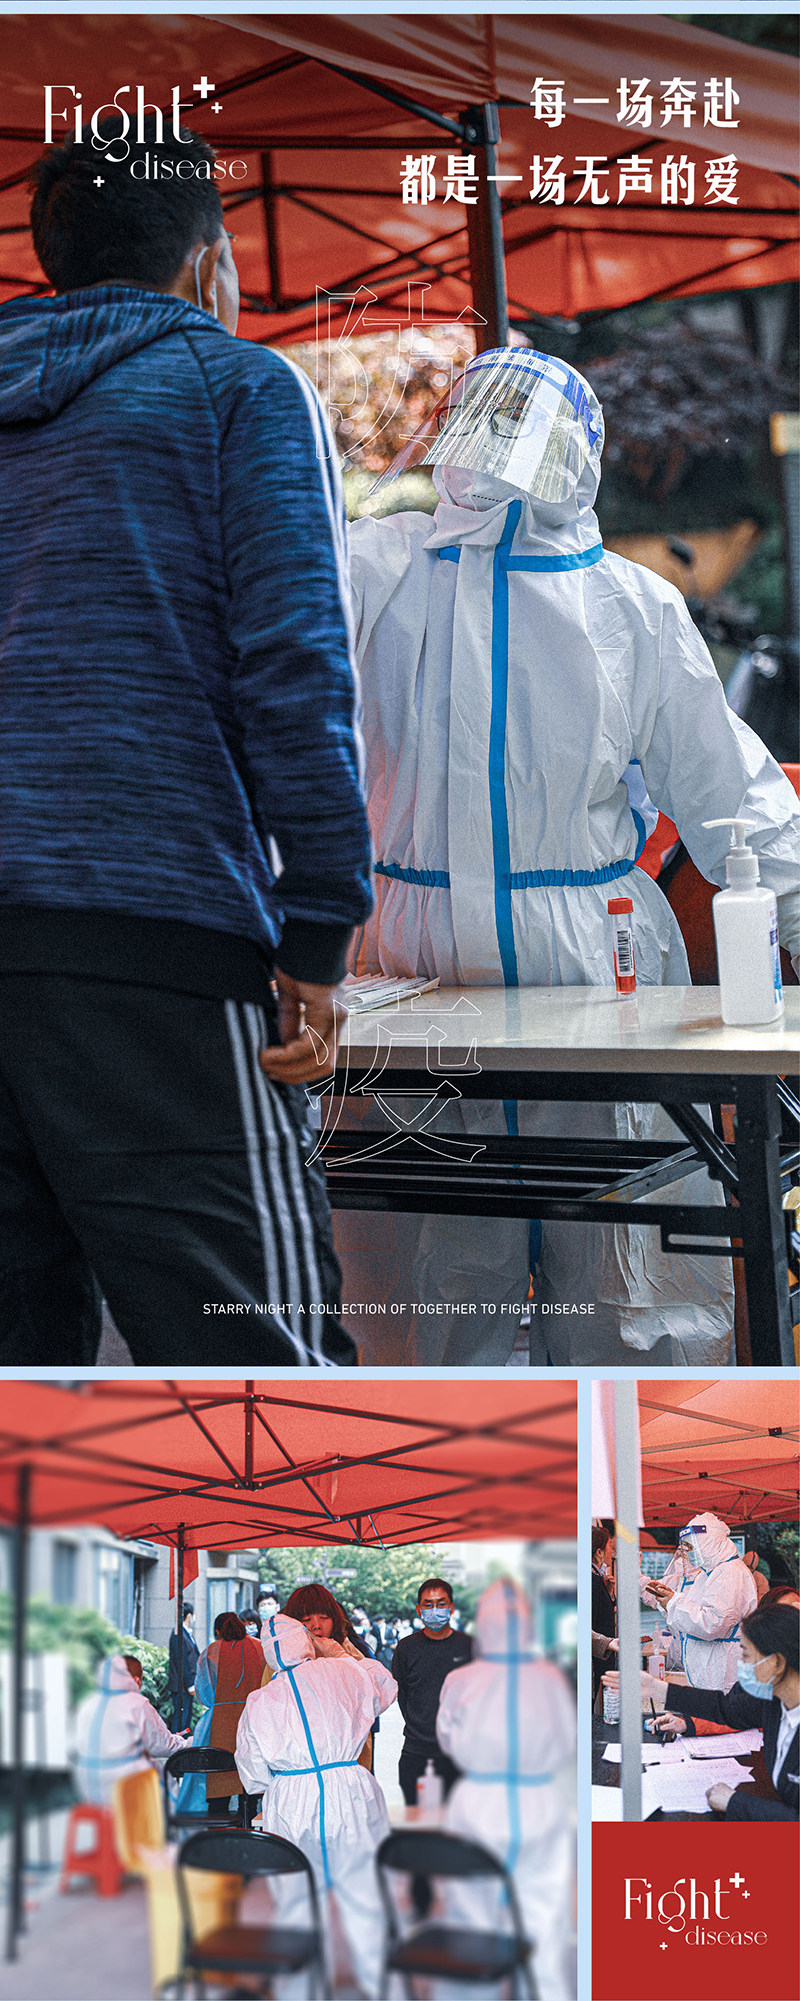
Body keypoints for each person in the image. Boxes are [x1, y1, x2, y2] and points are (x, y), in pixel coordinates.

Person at [337, 345, 800, 1367]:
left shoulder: (627, 605)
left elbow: (734, 798)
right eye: (494, 423)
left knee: (621, 1284)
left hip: (570, 965)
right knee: (429, 1292)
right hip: (427, 973)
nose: (508, 451)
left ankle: (634, 1454)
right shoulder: (373, 567)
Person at [0, 113, 372, 1367]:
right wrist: (317, 934)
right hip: (153, 944)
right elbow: (296, 666)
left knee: (24, 1382)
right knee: (262, 1369)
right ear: (211, 262)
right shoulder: (237, 388)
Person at [236, 1612, 396, 1997]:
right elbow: (385, 1686)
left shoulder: (259, 1700)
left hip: (291, 1801)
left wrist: (282, 1782)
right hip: (349, 1791)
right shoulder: (343, 1672)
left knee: (295, 1904)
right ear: (307, 1641)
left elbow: (252, 1774)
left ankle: (299, 1990)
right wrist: (339, 1652)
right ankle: (384, 1988)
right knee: (366, 1897)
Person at [435, 1580, 576, 2001]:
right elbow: (567, 1743)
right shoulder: (549, 1678)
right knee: (543, 1924)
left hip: (476, 1804)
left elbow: (446, 1739)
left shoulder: (460, 1679)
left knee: (471, 1920)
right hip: (539, 1803)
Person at [639, 1605, 799, 1821]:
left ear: (777, 1663)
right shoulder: (775, 1703)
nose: (741, 1664)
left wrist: (734, 1802)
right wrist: (657, 1689)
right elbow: (725, 1708)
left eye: (746, 1655)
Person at [645, 1512, 757, 1691]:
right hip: (712, 1673)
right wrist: (670, 1598)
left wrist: (673, 1603)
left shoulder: (730, 1573)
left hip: (722, 1673)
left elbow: (713, 1623)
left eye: (692, 1546)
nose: (689, 1553)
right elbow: (696, 1609)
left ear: (708, 1542)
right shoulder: (709, 1573)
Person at [391, 1578, 473, 1805]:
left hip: (460, 1754)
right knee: (418, 1820)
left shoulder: (470, 1646)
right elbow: (403, 1694)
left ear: (451, 1607)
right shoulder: (407, 1648)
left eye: (441, 1603)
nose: (434, 1610)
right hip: (416, 1753)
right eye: (428, 1604)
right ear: (419, 1610)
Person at [282, 1583, 379, 1766]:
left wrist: (340, 1656)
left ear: (335, 1619)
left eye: (324, 1618)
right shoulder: (282, 1659)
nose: (316, 1626)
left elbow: (379, 1690)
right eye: (306, 1619)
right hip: (303, 1764)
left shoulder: (344, 1648)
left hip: (349, 1760)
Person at [74, 1653, 188, 1806]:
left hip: (88, 1783)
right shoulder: (137, 1704)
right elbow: (163, 1746)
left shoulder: (89, 1703)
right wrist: (185, 1742)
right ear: (137, 1680)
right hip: (124, 1782)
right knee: (174, 1799)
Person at [204, 1612, 264, 1819]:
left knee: (219, 1782)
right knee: (251, 1789)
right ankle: (247, 1825)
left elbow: (204, 1692)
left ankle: (218, 1831)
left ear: (217, 1631)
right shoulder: (259, 1647)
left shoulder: (212, 1651)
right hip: (255, 1721)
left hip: (220, 1723)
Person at [168, 1601, 199, 1732]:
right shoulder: (178, 1634)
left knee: (185, 1720)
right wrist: (189, 1684)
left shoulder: (186, 1633)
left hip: (185, 1686)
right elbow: (182, 1662)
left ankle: (183, 1742)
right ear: (189, 1616)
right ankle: (177, 1743)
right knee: (181, 1720)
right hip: (182, 1686)